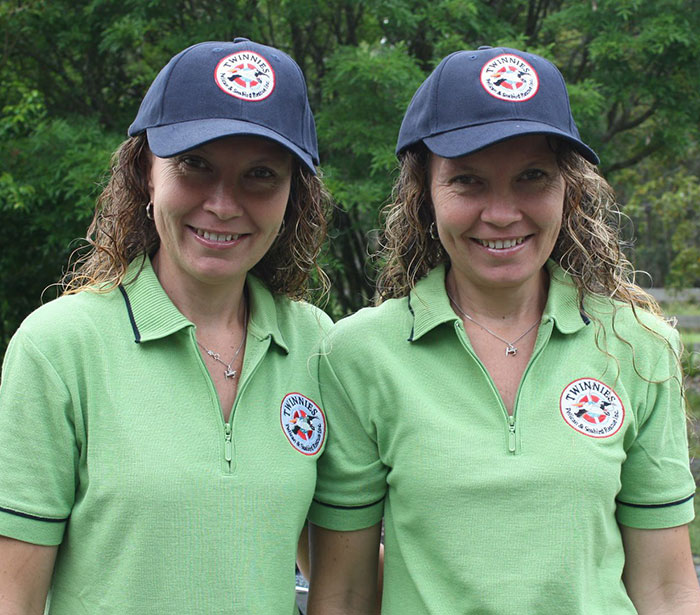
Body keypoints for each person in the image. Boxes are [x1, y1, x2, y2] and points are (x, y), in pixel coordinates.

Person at [306, 46, 700, 614]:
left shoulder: (637, 346)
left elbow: (665, 587)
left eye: (531, 177)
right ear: (426, 196)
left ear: (571, 190)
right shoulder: (359, 354)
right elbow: (343, 594)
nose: (501, 212)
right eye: (468, 182)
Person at [0, 38, 332, 614]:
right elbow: (13, 595)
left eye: (260, 175)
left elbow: (337, 570)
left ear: (293, 199)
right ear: (144, 175)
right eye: (194, 167)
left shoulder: (319, 346)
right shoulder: (58, 348)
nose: (224, 204)